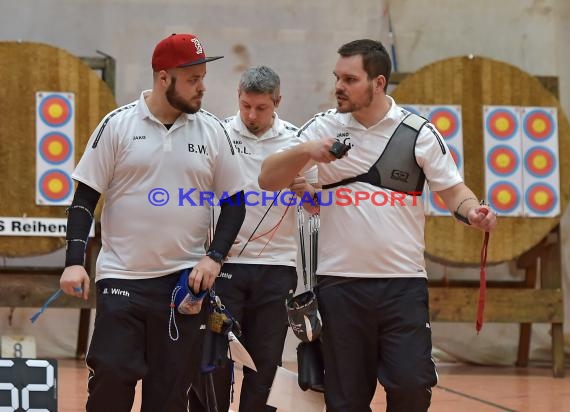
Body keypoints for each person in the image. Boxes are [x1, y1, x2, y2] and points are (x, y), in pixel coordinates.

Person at [258, 39, 497, 412]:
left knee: (411, 387)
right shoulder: (321, 128)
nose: (338, 86)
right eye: (336, 77)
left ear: (378, 83)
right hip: (340, 287)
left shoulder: (417, 132)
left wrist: (473, 211)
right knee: (345, 401)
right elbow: (268, 179)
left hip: (403, 286)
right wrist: (306, 151)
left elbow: (454, 191)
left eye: (350, 79)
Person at [59, 33, 246, 412]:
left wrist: (214, 257)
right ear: (164, 78)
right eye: (192, 79)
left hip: (181, 288)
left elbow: (236, 204)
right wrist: (75, 261)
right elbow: (84, 200)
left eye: (202, 78)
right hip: (121, 279)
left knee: (169, 397)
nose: (202, 87)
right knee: (110, 379)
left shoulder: (212, 131)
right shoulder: (118, 125)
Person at [209, 65, 317, 411]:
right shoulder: (218, 134)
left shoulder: (297, 143)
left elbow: (316, 207)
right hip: (224, 264)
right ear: (238, 98)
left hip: (277, 267)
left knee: (264, 365)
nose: (252, 115)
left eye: (261, 108)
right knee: (216, 362)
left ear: (277, 102)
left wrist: (307, 193)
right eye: (245, 106)